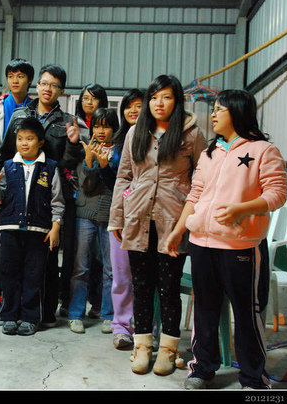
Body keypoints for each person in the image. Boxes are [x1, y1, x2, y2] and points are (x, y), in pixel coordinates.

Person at [165, 90, 287, 390]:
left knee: (246, 313)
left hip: (239, 246)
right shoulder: (210, 152)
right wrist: (179, 230)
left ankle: (253, 378)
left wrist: (241, 210)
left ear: (237, 111)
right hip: (201, 244)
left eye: (219, 109)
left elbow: (277, 194)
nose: (213, 114)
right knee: (205, 309)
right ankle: (202, 369)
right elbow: (195, 194)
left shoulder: (263, 151)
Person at [108, 75, 207, 375]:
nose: (158, 103)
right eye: (153, 97)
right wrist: (117, 217)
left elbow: (202, 180)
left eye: (166, 97)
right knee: (141, 285)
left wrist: (190, 219)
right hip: (138, 218)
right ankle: (142, 346)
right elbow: (123, 177)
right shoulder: (135, 132)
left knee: (168, 287)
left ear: (177, 101)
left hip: (173, 222)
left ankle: (168, 349)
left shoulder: (191, 134)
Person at [0, 64, 89, 328]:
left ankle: (43, 313)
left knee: (45, 261)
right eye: (44, 83)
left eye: (54, 85)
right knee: (13, 262)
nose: (48, 89)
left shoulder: (68, 121)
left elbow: (70, 164)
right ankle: (11, 312)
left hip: (52, 197)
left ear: (62, 90)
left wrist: (73, 143)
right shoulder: (19, 115)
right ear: (37, 86)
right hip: (18, 196)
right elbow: (6, 154)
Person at [0, 117, 65, 336]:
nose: (24, 143)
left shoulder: (50, 167)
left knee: (34, 276)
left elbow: (57, 201)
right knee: (8, 274)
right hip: (9, 229)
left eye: (29, 139)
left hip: (39, 232)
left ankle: (30, 317)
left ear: (40, 142)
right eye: (20, 139)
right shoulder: (8, 166)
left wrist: (55, 226)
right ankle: (9, 315)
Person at [0, 58, 35, 317]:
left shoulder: (34, 108)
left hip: (25, 178)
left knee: (22, 240)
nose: (15, 80)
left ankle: (20, 292)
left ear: (30, 80)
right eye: (11, 76)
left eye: (21, 76)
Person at [68, 108, 119, 335]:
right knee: (81, 266)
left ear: (114, 129)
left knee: (110, 268)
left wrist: (106, 164)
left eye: (106, 126)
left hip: (110, 215)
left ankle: (108, 315)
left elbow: (117, 185)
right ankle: (75, 314)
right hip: (85, 214)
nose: (100, 131)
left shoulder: (119, 151)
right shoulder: (86, 148)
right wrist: (89, 160)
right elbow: (86, 185)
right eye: (97, 126)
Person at [109, 88, 144, 350]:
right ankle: (121, 326)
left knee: (145, 278)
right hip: (120, 213)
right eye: (128, 106)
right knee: (121, 275)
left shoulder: (155, 140)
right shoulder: (116, 141)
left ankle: (146, 328)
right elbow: (116, 181)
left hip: (147, 215)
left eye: (138, 105)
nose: (133, 111)